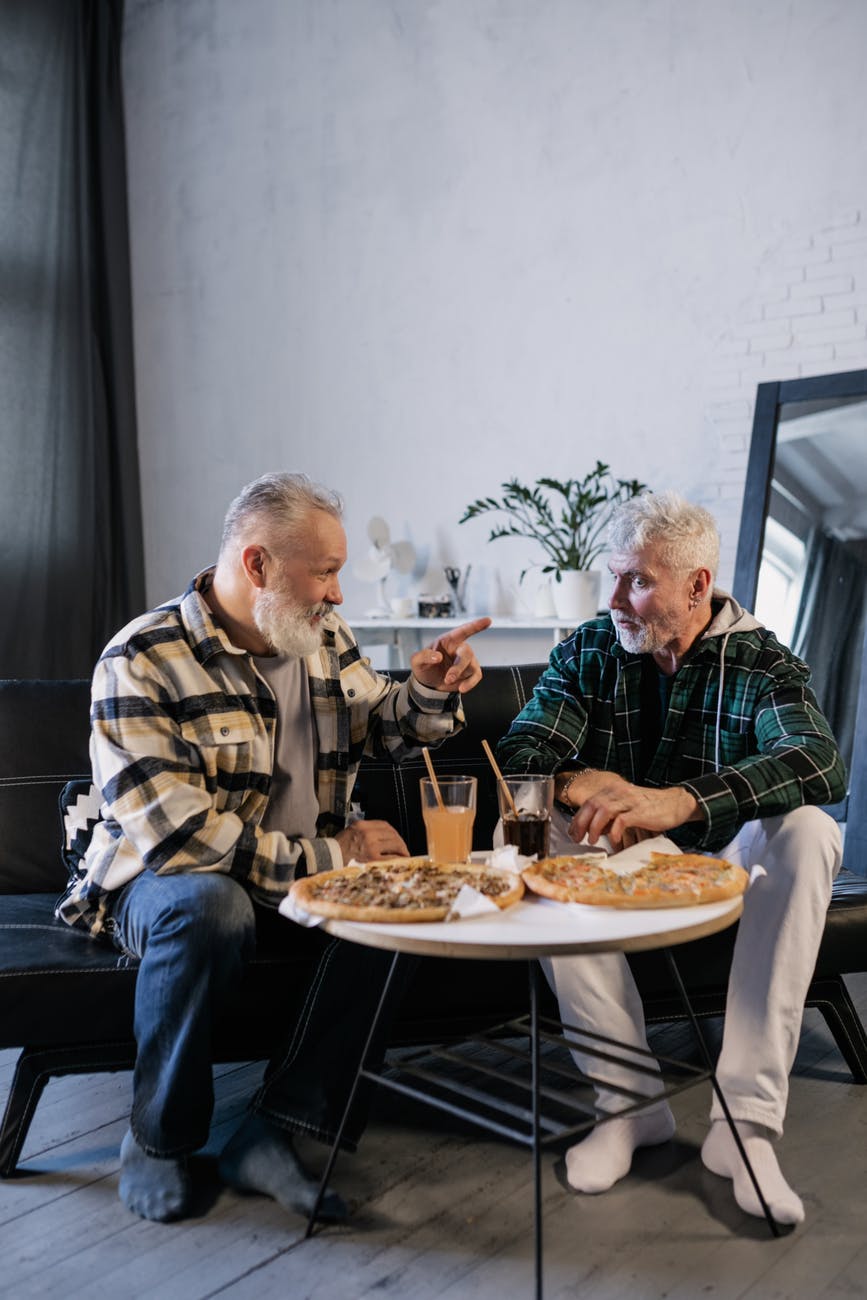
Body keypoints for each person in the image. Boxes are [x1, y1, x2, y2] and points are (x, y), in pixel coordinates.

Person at [57, 471, 491, 1224]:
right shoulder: (141, 659)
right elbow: (186, 842)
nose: (337, 593)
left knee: (409, 902)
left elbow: (381, 729)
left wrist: (425, 689)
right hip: (156, 882)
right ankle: (157, 1141)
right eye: (324, 571)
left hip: (293, 872)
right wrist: (339, 860)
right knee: (209, 907)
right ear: (257, 564)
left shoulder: (320, 636)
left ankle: (274, 1128)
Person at [498, 490, 846, 1227]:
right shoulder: (591, 647)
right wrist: (572, 781)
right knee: (522, 826)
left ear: (696, 586)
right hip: (616, 850)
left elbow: (818, 764)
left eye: (640, 581)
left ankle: (744, 1127)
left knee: (810, 828)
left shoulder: (760, 658)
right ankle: (625, 1106)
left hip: (721, 847)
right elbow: (521, 753)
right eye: (614, 576)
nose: (618, 599)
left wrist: (679, 801)